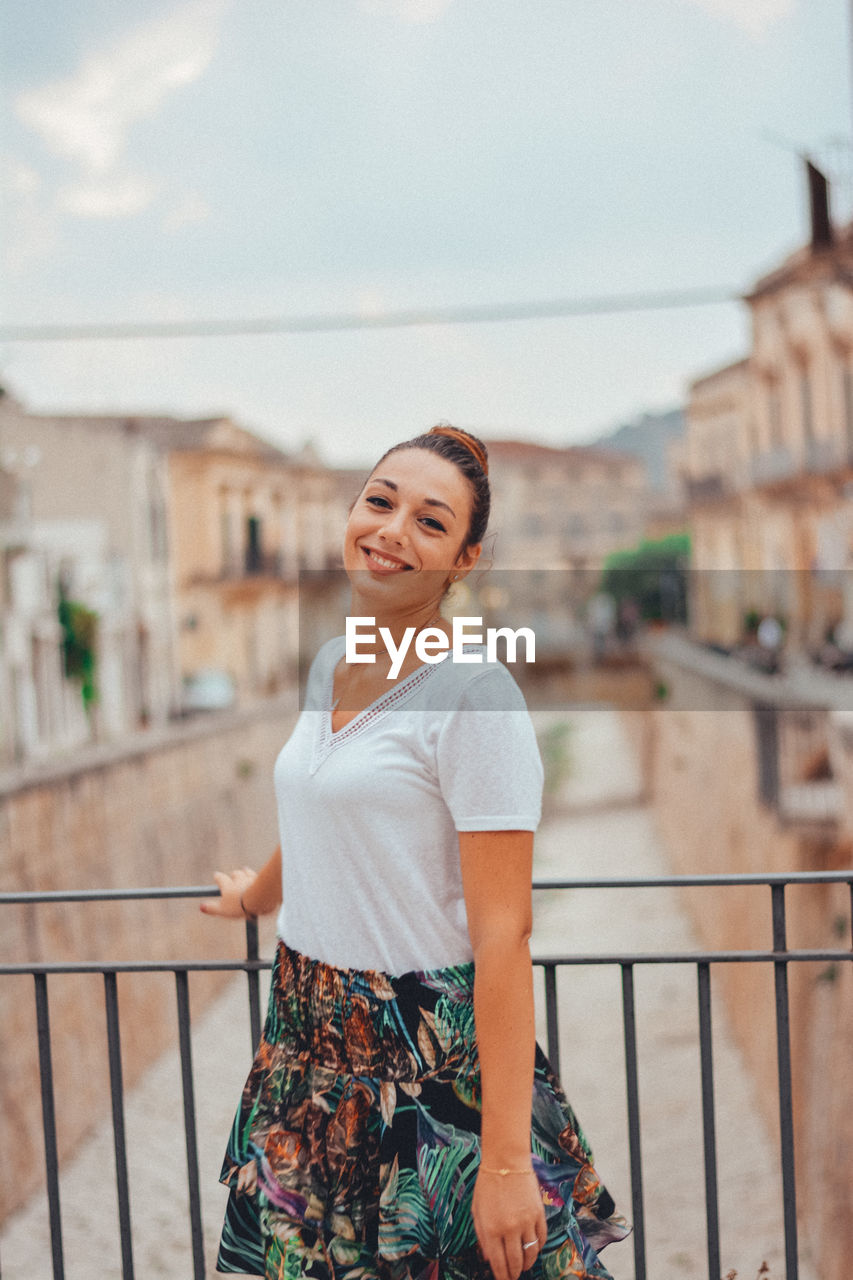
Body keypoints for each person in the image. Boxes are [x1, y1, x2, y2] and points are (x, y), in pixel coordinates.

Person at [201, 425, 629, 1280]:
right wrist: (259, 895)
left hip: (423, 1069)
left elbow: (503, 934)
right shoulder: (333, 661)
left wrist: (505, 1163)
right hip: (307, 1047)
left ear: (463, 560)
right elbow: (322, 804)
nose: (392, 530)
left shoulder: (474, 696)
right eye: (380, 501)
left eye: (430, 523)